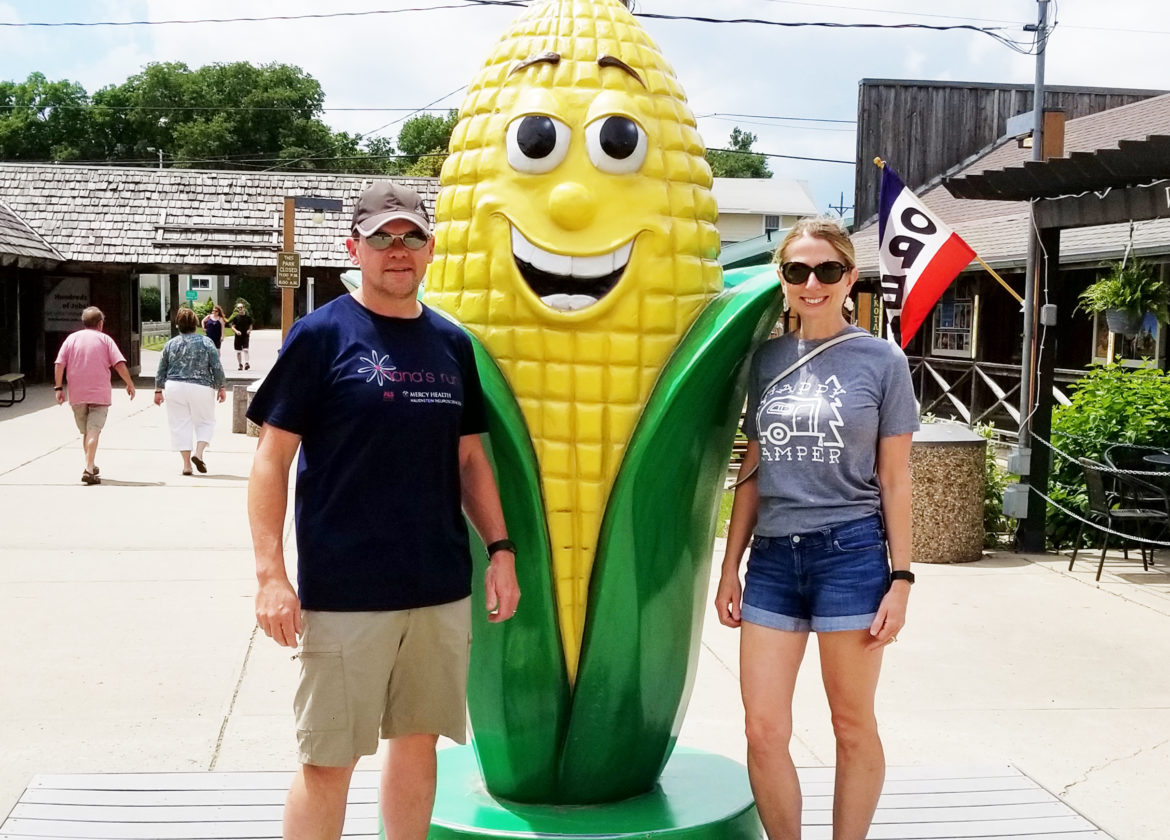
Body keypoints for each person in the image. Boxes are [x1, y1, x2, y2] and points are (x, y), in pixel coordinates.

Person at [246, 181, 520, 840]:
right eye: (382, 239)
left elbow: (473, 461)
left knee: (418, 744)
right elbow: (271, 460)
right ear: (354, 248)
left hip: (438, 587)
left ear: (430, 251)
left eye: (410, 238)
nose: (397, 251)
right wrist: (271, 576)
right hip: (345, 592)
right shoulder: (320, 336)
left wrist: (502, 552)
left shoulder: (451, 346)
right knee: (328, 761)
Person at [713, 217, 918, 840]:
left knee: (852, 724)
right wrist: (730, 565)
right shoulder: (766, 359)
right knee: (763, 728)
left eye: (827, 270)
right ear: (782, 280)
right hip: (774, 559)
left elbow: (896, 477)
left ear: (849, 278)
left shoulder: (882, 360)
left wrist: (902, 578)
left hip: (850, 555)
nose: (812, 283)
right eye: (797, 270)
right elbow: (753, 465)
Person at [53, 306, 136, 485]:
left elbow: (59, 363)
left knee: (86, 432)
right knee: (94, 430)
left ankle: (89, 463)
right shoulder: (105, 340)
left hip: (77, 393)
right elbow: (119, 364)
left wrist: (58, 388)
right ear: (100, 324)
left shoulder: (71, 339)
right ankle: (89, 469)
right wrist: (129, 383)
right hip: (99, 393)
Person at [154, 307, 227, 476]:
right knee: (206, 421)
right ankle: (199, 453)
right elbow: (216, 366)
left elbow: (161, 369)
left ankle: (186, 465)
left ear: (178, 324)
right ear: (195, 324)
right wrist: (221, 386)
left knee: (180, 424)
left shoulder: (170, 344)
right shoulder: (206, 342)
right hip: (201, 386)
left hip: (174, 386)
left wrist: (158, 390)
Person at [230, 301, 254, 370]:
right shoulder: (236, 318)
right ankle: (240, 364)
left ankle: (247, 363)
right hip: (238, 337)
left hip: (245, 335)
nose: (240, 309)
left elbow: (251, 325)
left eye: (241, 307)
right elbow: (232, 327)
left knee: (246, 350)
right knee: (238, 352)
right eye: (238, 308)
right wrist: (236, 331)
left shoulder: (248, 317)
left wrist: (249, 330)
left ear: (243, 308)